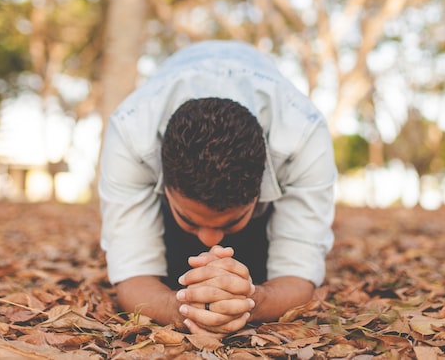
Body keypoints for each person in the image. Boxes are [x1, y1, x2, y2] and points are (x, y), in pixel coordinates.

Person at [99, 40, 336, 334]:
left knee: (255, 265)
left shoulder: (303, 133)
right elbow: (133, 274)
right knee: (177, 270)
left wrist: (250, 301)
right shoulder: (131, 132)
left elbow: (299, 273)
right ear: (165, 183)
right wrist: (180, 307)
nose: (210, 239)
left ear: (259, 189)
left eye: (233, 219)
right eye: (189, 218)